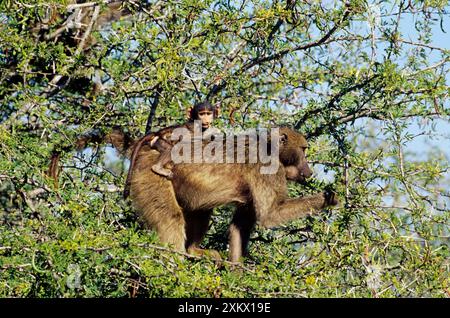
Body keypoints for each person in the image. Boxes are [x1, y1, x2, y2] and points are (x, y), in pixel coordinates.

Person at [150, 101, 220, 179]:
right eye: (202, 114)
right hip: (160, 140)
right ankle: (158, 166)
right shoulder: (192, 126)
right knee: (169, 149)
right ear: (193, 115)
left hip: (164, 137)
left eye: (208, 114)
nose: (205, 119)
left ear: (215, 114)